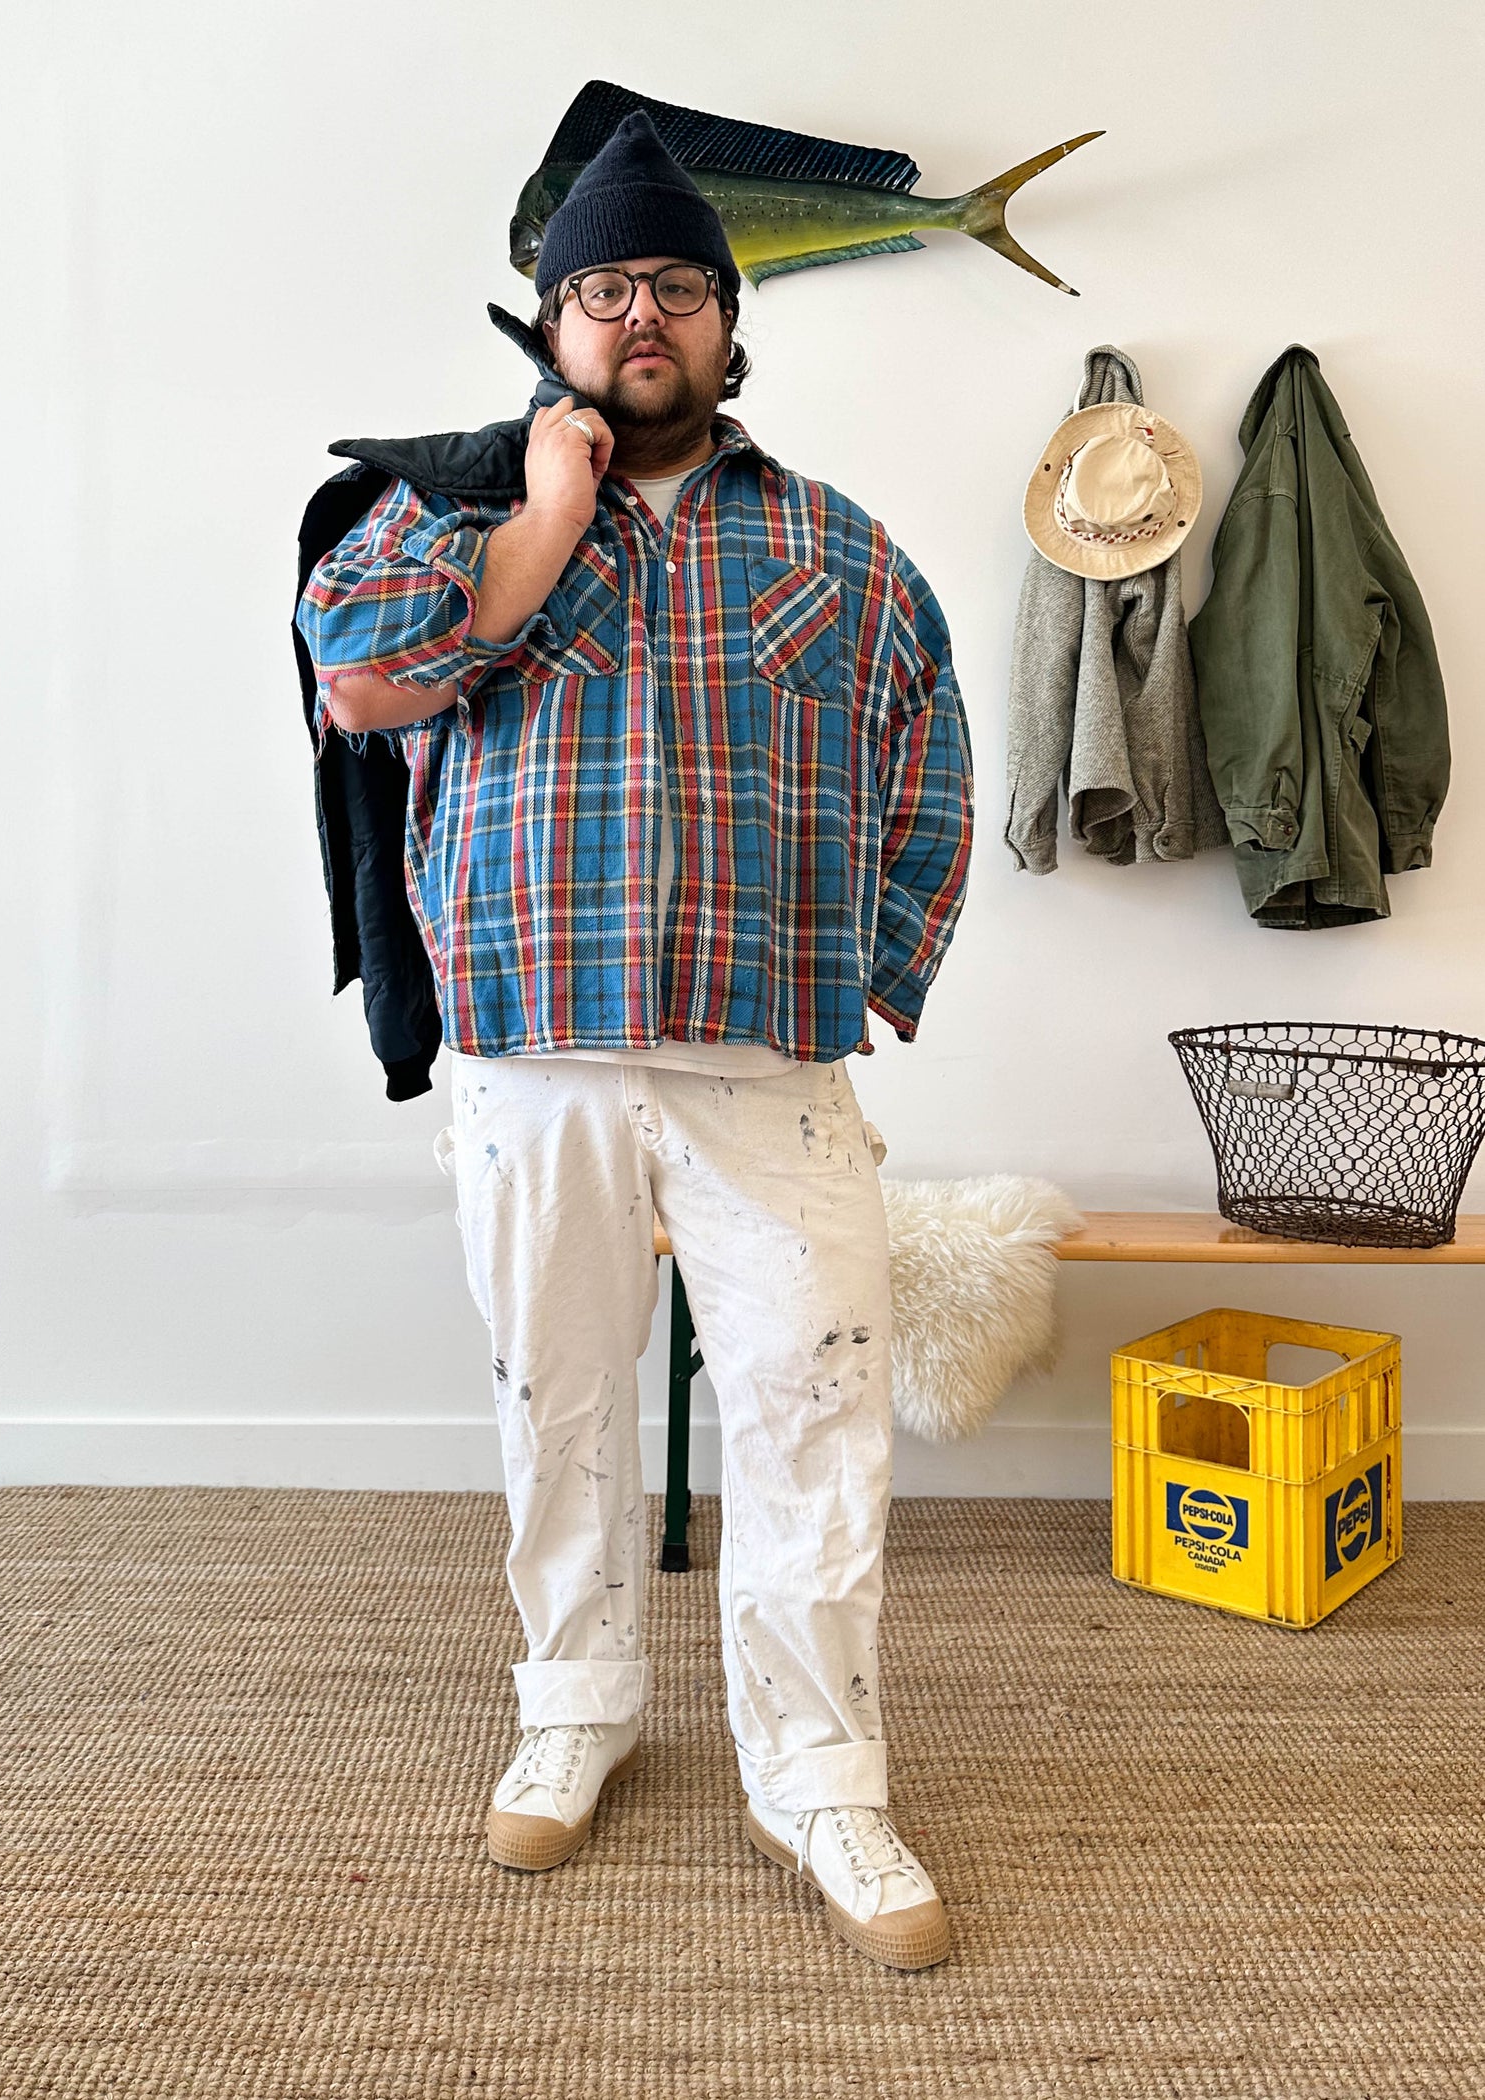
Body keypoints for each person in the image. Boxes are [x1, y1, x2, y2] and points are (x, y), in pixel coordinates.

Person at [296, 109, 973, 1971]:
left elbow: (929, 748)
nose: (641, 314)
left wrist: (884, 968)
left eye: (677, 284)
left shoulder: (837, 547)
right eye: (601, 288)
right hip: (535, 1047)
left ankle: (819, 1774)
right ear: (551, 322)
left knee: (815, 1409)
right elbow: (361, 682)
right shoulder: (439, 520)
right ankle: (575, 1708)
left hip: (769, 1060)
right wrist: (546, 514)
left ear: (729, 325)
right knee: (562, 1400)